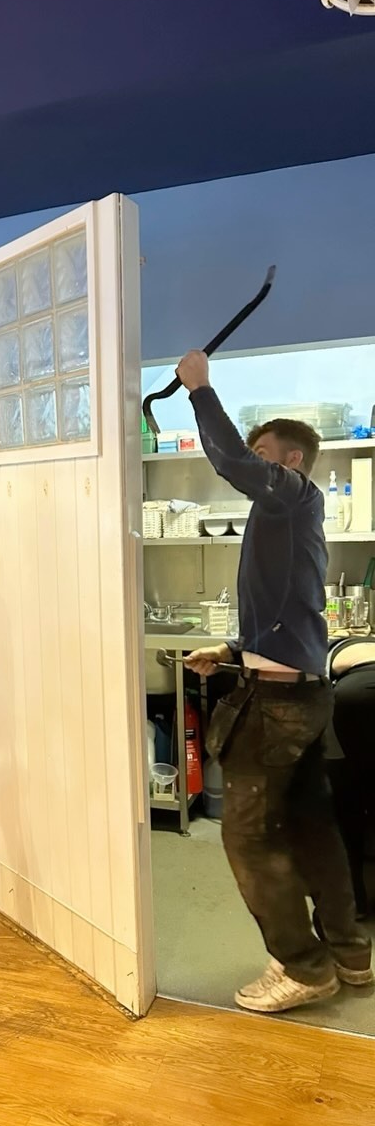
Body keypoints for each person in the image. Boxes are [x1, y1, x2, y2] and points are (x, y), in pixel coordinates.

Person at [175, 350, 371, 1013]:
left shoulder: (290, 493)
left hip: (279, 706)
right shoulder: (285, 517)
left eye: (264, 453)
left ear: (288, 461)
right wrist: (230, 650)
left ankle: (303, 966)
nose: (252, 465)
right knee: (314, 824)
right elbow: (286, 609)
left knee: (248, 837)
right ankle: (349, 954)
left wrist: (202, 390)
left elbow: (231, 460)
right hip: (298, 690)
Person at [325, 636, 375, 918]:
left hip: (353, 695)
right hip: (356, 690)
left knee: (346, 799)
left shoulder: (331, 654)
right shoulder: (366, 646)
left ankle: (353, 901)